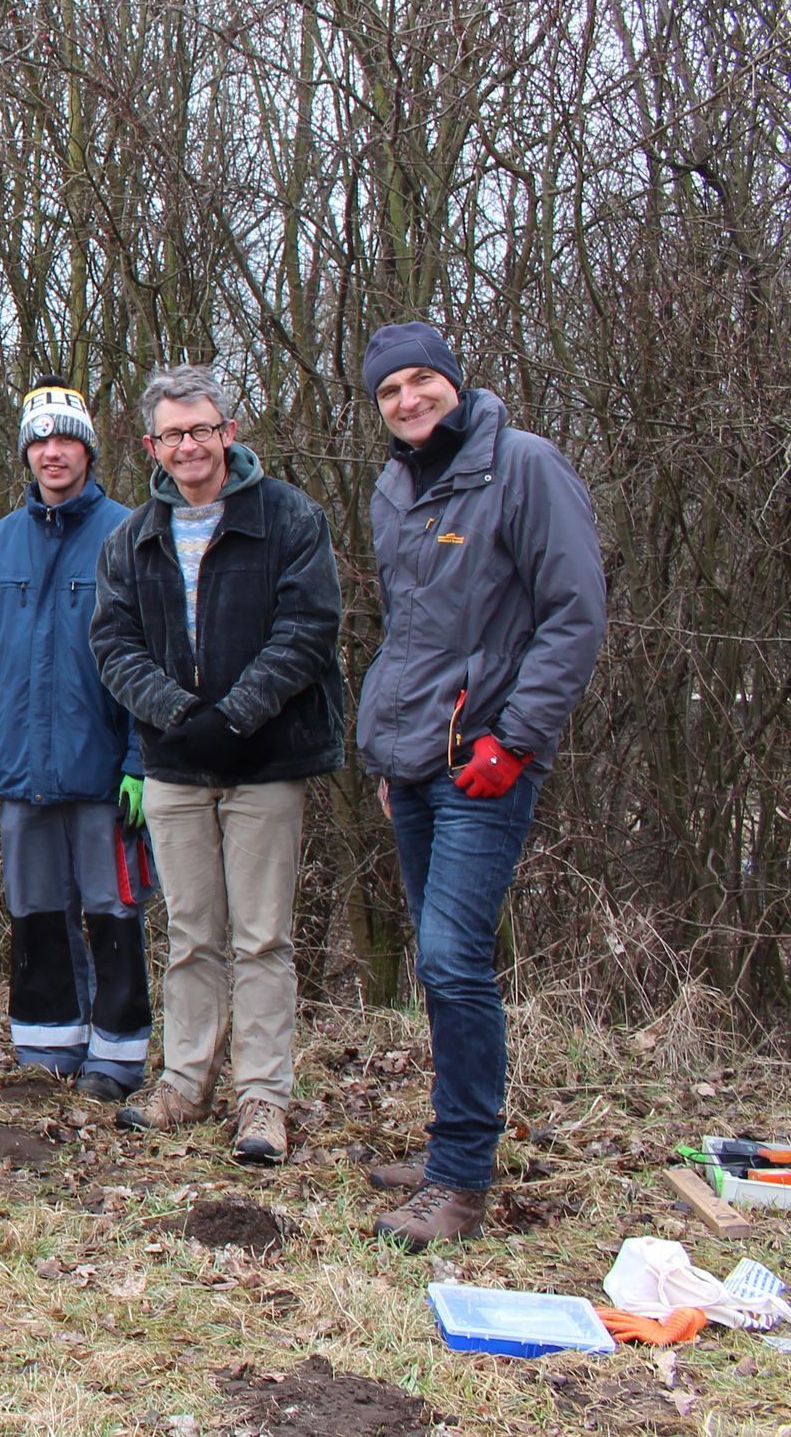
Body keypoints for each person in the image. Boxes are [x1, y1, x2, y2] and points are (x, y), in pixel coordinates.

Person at [355, 322, 606, 1248]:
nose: (409, 401)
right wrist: (388, 754)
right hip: (416, 762)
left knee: (457, 962)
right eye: (389, 392)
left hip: (485, 764)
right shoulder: (395, 488)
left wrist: (516, 738)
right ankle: (444, 1147)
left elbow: (574, 616)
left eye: (422, 382)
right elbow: (410, 636)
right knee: (436, 961)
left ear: (454, 384)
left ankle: (460, 1181)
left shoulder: (527, 468)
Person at [91, 364, 343, 1164]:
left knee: (262, 938)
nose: (189, 445)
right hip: (173, 767)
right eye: (173, 433)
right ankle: (184, 1081)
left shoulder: (289, 518)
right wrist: (177, 716)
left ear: (229, 432)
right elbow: (112, 642)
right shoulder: (132, 539)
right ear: (151, 446)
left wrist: (235, 717)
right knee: (192, 933)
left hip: (266, 762)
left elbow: (308, 628)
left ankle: (263, 1100)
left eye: (202, 429)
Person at [0, 379, 150, 1102]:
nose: (52, 452)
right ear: (26, 454)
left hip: (103, 774)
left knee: (113, 913)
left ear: (89, 449)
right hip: (20, 772)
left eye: (65, 438)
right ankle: (48, 1046)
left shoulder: (129, 533)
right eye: (39, 440)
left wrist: (140, 759)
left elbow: (150, 662)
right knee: (34, 912)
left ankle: (118, 1056)